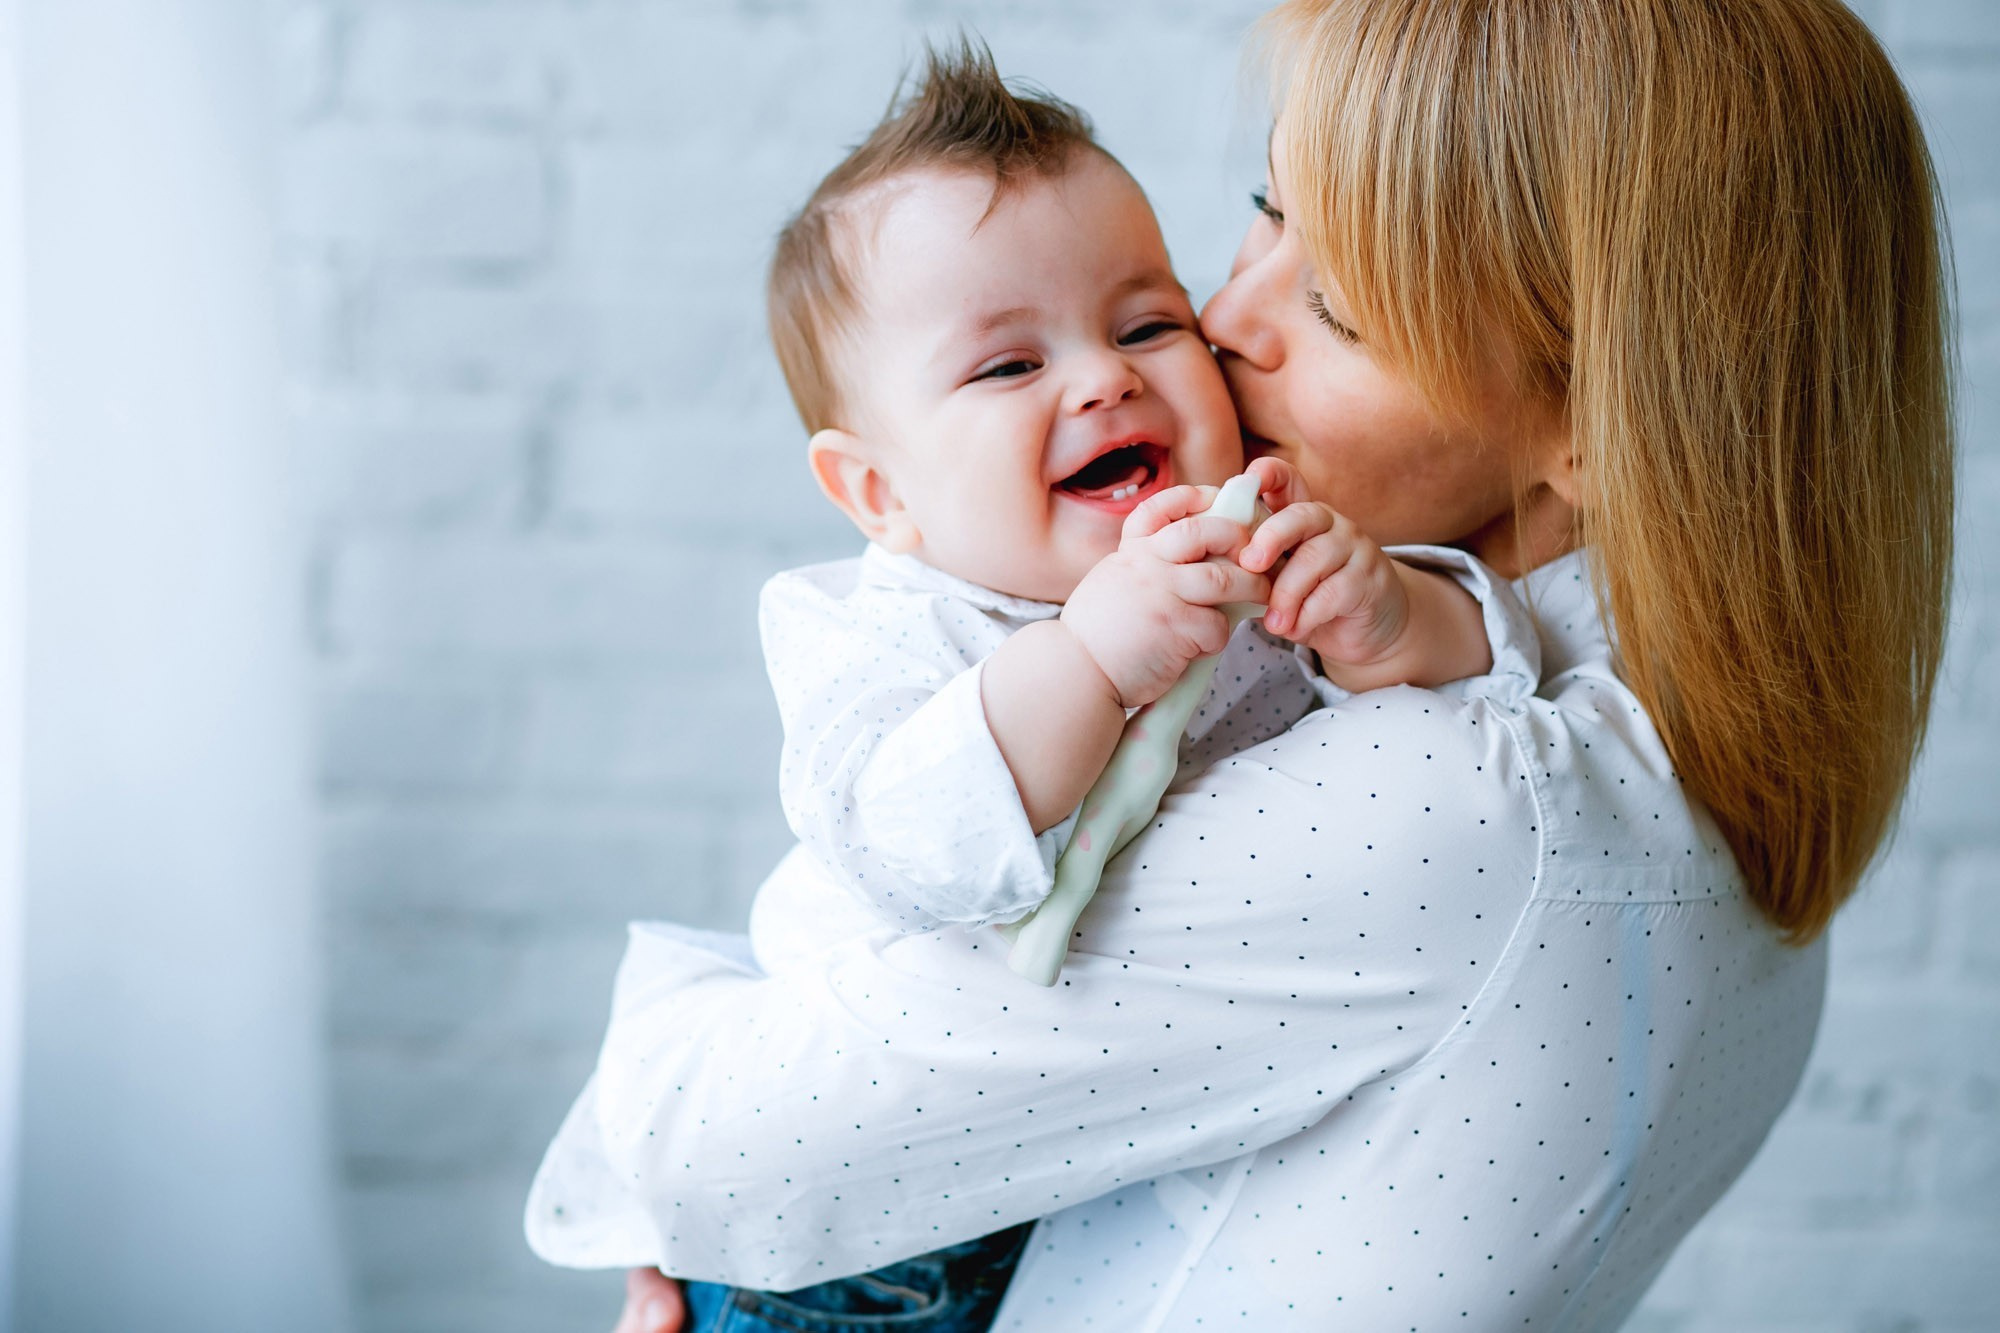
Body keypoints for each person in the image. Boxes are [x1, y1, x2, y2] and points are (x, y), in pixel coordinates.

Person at [595, 0, 1954, 1326]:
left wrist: (686, 1024)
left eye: (1342, 311)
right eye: (1265, 208)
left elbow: (700, 1149)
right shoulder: (1721, 768)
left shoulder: (1454, 805)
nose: (1220, 316)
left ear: (1597, 426)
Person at [525, 40, 1510, 1331]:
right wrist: (1092, 658)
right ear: (880, 493)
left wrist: (1389, 622)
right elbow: (917, 847)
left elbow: (1483, 677)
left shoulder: (1249, 549)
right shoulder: (885, 631)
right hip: (849, 1249)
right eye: (1008, 366)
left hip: (1080, 1183)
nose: (1104, 376)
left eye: (1148, 323)